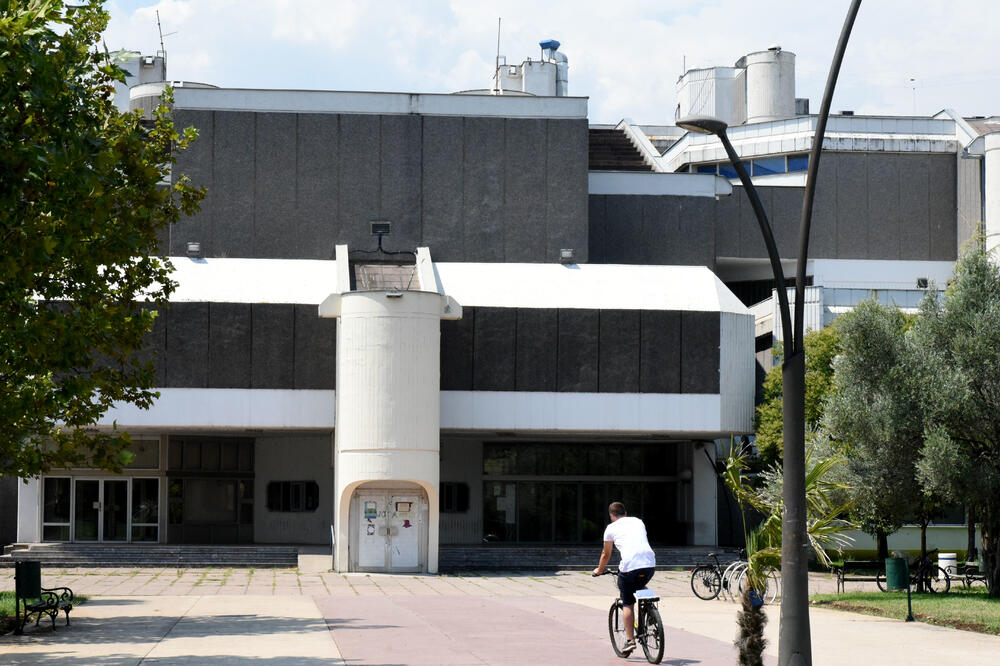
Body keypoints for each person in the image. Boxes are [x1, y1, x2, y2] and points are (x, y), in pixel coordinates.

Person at [592, 501, 656, 657]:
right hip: (649, 563)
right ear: (625, 513)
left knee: (627, 602)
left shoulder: (610, 528)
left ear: (612, 516)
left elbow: (605, 554)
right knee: (641, 585)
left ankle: (630, 641)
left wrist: (599, 570)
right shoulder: (638, 521)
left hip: (629, 566)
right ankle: (651, 612)